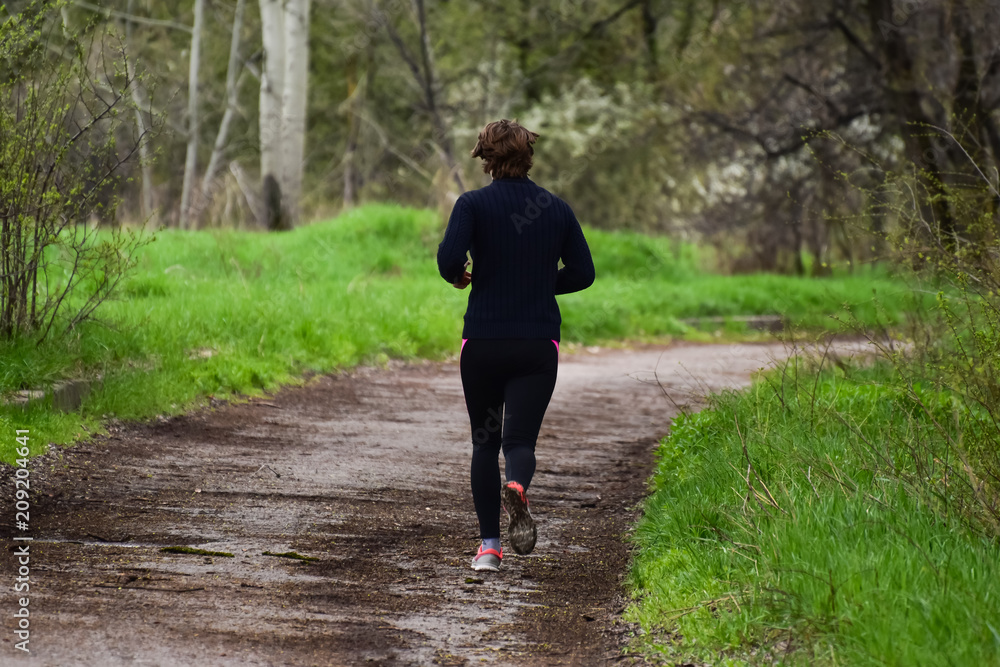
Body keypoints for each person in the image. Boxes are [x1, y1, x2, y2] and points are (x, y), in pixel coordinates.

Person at [437, 119, 596, 572]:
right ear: (529, 156)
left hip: (483, 342)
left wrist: (462, 275)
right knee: (519, 440)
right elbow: (583, 273)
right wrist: (541, 284)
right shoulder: (556, 208)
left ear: (485, 157)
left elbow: (449, 260)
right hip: (535, 344)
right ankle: (519, 487)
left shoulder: (472, 205)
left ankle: (489, 547)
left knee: (484, 443)